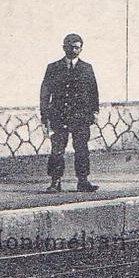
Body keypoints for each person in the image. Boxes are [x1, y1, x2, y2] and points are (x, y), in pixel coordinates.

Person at [40, 33, 99, 192]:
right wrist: (45, 115)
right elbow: (45, 92)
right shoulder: (53, 67)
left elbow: (93, 91)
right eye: (70, 47)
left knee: (81, 149)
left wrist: (94, 112)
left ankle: (83, 181)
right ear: (64, 47)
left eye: (77, 47)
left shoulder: (86, 68)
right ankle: (55, 182)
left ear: (81, 49)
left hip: (80, 116)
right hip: (59, 115)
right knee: (57, 149)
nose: (74, 50)